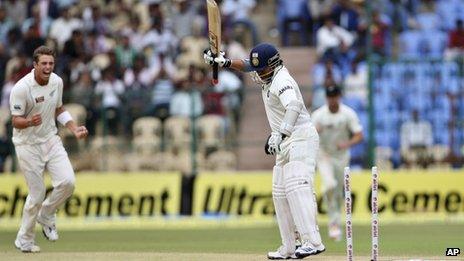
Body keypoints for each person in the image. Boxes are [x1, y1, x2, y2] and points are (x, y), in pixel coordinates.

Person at [204, 43, 325, 259]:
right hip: (285, 140)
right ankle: (288, 247)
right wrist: (225, 62)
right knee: (280, 193)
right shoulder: (267, 71)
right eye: (257, 69)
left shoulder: (282, 80)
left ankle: (312, 242)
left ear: (274, 64)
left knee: (297, 186)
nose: (258, 73)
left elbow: (294, 106)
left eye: (262, 70)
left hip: (300, 137)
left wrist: (281, 133)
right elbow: (249, 65)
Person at [9, 46, 88, 253]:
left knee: (68, 182)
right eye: (43, 63)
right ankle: (24, 239)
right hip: (27, 145)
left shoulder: (57, 81)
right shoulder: (21, 88)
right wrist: (28, 122)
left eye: (50, 63)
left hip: (50, 139)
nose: (47, 67)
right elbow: (15, 121)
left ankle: (47, 213)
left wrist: (73, 128)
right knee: (37, 194)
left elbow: (59, 108)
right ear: (34, 65)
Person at [311, 85, 363, 241]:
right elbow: (308, 135)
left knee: (339, 191)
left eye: (335, 96)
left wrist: (346, 144)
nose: (332, 100)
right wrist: (315, 132)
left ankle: (335, 224)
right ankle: (333, 224)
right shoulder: (319, 115)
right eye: (330, 97)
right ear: (326, 98)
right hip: (324, 154)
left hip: (341, 156)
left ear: (339, 96)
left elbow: (359, 135)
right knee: (329, 185)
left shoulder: (348, 114)